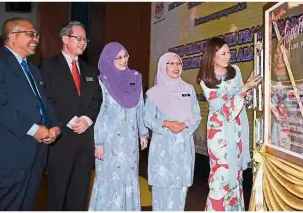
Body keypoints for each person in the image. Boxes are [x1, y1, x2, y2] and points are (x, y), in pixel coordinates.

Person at [0, 17, 61, 210]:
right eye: (30, 34)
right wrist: (33, 129)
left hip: (35, 152)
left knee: (25, 204)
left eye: (36, 34)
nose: (36, 38)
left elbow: (43, 103)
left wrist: (55, 126)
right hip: (8, 153)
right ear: (12, 36)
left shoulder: (32, 69)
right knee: (4, 205)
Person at [39, 21, 103, 210]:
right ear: (65, 39)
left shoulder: (90, 70)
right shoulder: (48, 66)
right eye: (79, 38)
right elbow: (46, 99)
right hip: (61, 139)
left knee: (80, 190)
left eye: (85, 39)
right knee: (57, 191)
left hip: (85, 139)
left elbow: (97, 99)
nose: (83, 42)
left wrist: (87, 119)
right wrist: (70, 119)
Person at [196, 37, 262, 211]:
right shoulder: (205, 80)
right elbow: (225, 111)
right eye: (223, 53)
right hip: (219, 136)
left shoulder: (235, 71)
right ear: (212, 56)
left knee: (236, 177)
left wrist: (248, 90)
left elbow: (243, 102)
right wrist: (244, 89)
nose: (228, 56)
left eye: (229, 52)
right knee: (221, 178)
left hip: (237, 132)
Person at [88, 42, 149, 211]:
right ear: (109, 60)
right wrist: (98, 142)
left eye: (126, 56)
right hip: (109, 142)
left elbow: (140, 106)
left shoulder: (136, 77)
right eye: (118, 57)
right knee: (109, 178)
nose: (124, 60)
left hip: (129, 142)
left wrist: (143, 133)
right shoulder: (102, 81)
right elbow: (100, 112)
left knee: (128, 177)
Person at [144, 52, 202, 211]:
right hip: (162, 148)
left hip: (183, 147)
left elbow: (196, 116)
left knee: (180, 192)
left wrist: (184, 125)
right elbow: (147, 118)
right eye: (171, 63)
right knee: (161, 192)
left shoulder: (188, 89)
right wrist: (167, 123)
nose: (176, 67)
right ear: (163, 66)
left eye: (179, 63)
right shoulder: (154, 93)